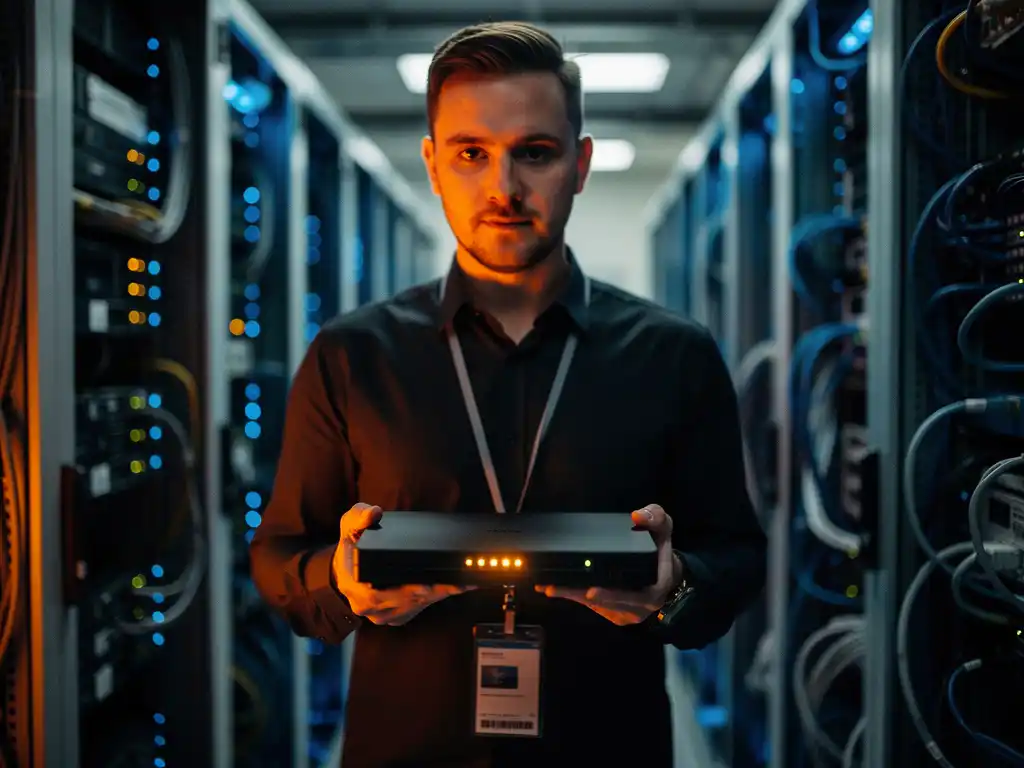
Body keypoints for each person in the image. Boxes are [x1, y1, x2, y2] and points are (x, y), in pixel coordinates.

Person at [250, 20, 767, 768]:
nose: (503, 188)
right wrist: (340, 581)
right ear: (432, 164)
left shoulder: (673, 354)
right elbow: (278, 557)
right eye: (471, 154)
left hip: (604, 748)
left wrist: (674, 588)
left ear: (580, 163)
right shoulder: (352, 355)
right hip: (407, 750)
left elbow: (737, 558)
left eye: (535, 152)